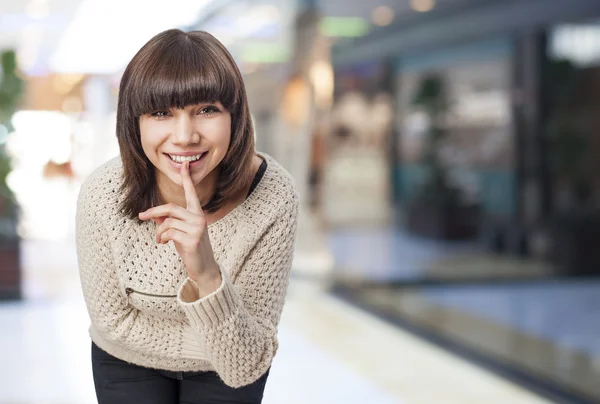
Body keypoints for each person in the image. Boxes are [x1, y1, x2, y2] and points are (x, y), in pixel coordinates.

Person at [75, 29, 299, 404]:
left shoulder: (273, 195)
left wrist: (207, 274)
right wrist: (219, 332)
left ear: (235, 117)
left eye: (206, 110)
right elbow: (113, 324)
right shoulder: (103, 194)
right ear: (135, 122)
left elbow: (244, 365)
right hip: (126, 363)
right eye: (161, 112)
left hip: (226, 368)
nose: (184, 136)